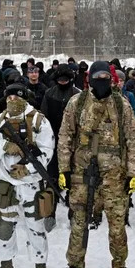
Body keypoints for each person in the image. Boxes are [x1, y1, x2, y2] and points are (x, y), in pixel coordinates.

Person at [57, 61, 135, 268]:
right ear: (90, 78)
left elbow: (133, 140)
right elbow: (65, 137)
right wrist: (64, 169)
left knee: (116, 226)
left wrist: (133, 172)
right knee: (79, 223)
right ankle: (74, 267)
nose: (101, 79)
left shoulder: (121, 105)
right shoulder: (78, 102)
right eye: (97, 75)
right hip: (83, 173)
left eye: (106, 75)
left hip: (115, 175)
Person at [0, 83, 55, 268]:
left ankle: (40, 267)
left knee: (36, 226)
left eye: (16, 97)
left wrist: (28, 168)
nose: (12, 101)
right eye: (9, 98)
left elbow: (47, 150)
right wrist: (6, 146)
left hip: (30, 184)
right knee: (5, 226)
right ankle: (6, 266)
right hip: (5, 182)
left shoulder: (39, 120)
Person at [40, 64, 80, 230]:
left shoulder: (78, 95)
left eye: (65, 80)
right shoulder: (50, 93)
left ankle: (73, 214)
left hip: (75, 145)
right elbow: (44, 118)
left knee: (75, 181)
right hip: (54, 142)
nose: (62, 83)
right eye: (60, 80)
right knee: (51, 180)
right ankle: (50, 214)